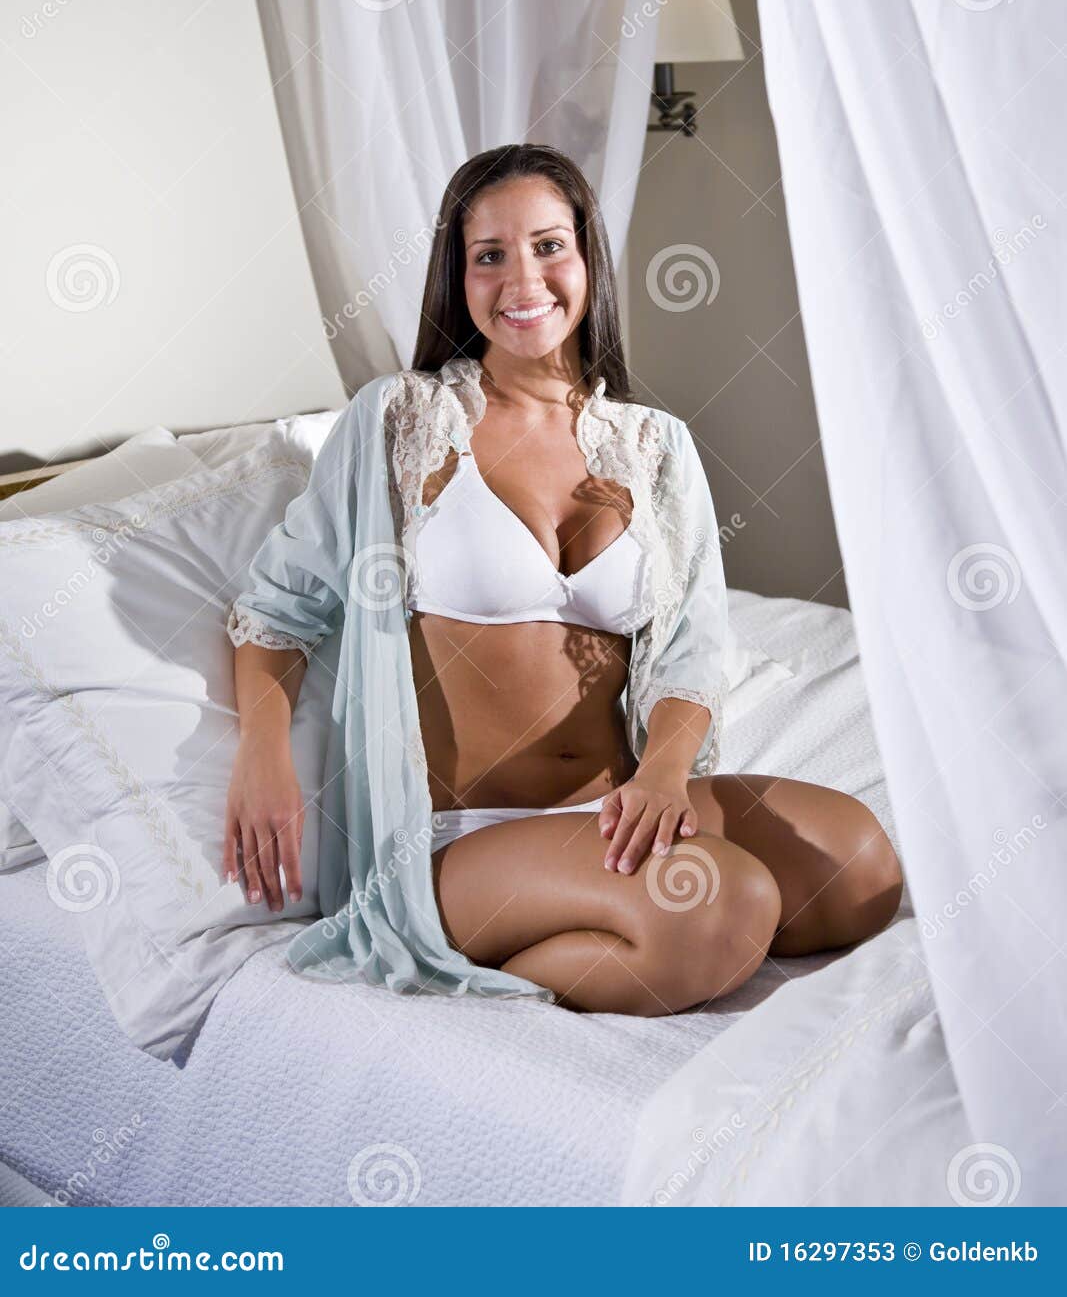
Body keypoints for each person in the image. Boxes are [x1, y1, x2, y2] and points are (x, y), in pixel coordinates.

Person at [223, 143, 902, 1016]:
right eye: (489, 256)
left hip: (619, 809)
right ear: (457, 278)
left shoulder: (654, 445)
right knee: (724, 905)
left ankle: (618, 914)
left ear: (586, 260)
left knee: (862, 868)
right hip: (460, 841)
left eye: (548, 246)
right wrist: (262, 755)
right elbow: (275, 613)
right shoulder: (399, 421)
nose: (522, 281)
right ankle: (467, 948)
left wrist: (661, 776)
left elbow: (689, 651)